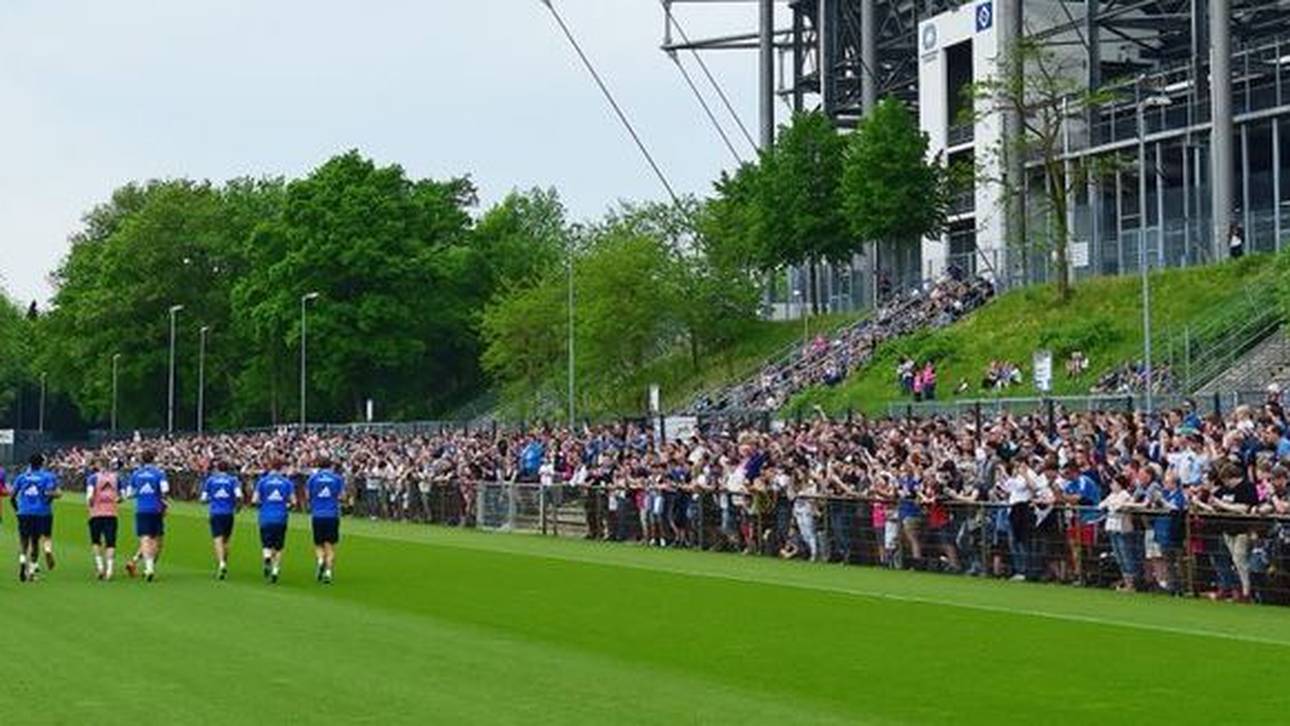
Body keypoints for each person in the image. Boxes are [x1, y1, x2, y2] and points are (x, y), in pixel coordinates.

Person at [11, 453, 61, 582]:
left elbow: (12, 496)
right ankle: (32, 571)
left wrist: (18, 510)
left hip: (24, 512)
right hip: (42, 512)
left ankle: (22, 562)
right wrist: (52, 498)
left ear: (30, 463)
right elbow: (49, 493)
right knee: (36, 541)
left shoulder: (22, 477)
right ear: (42, 463)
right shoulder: (47, 477)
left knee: (23, 540)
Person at [124, 451, 169, 582]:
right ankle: (149, 568)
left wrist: (140, 493)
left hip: (142, 509)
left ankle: (144, 566)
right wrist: (164, 503)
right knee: (157, 540)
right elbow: (165, 491)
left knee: (145, 538)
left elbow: (129, 494)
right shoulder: (159, 473)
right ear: (153, 459)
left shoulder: (136, 474)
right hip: (156, 509)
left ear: (142, 460)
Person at [254, 459, 296, 584]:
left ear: (270, 467)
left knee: (266, 543)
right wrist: (287, 505)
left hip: (266, 517)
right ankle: (275, 570)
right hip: (281, 517)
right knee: (278, 547)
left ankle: (267, 558)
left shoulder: (262, 481)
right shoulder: (287, 482)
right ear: (281, 468)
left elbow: (254, 499)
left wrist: (263, 504)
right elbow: (294, 501)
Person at [200, 460, 242, 580]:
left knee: (217, 539)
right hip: (228, 513)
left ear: (217, 468)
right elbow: (239, 496)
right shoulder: (233, 480)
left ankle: (221, 563)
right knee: (226, 540)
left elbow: (203, 499)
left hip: (215, 512)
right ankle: (224, 563)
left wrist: (212, 499)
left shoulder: (211, 480)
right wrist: (238, 507)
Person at [306, 457, 345, 584]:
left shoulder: (313, 478)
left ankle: (320, 560)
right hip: (332, 514)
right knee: (330, 545)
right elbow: (342, 496)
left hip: (317, 514)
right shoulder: (337, 478)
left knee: (318, 544)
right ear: (330, 465)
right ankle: (328, 572)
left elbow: (308, 495)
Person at [85, 458, 121, 580]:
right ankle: (110, 570)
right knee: (110, 542)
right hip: (111, 513)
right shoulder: (116, 478)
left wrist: (90, 505)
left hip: (96, 513)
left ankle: (100, 567)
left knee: (96, 541)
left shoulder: (93, 478)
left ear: (98, 465)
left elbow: (89, 496)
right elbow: (121, 496)